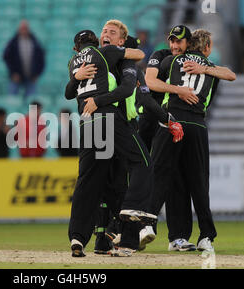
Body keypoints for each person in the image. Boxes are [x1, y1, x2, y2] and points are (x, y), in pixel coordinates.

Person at [72, 22, 183, 255]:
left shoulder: (126, 64)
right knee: (106, 186)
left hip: (120, 125)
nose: (105, 35)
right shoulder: (97, 62)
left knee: (117, 186)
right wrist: (76, 75)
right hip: (106, 124)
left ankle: (124, 240)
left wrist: (166, 118)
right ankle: (106, 239)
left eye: (111, 33)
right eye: (103, 32)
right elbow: (73, 90)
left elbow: (144, 99)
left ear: (121, 42)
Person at [144, 25, 236, 252]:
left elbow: (151, 81)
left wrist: (180, 85)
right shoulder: (211, 65)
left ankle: (146, 224)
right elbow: (231, 74)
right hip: (197, 125)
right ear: (207, 47)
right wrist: (206, 70)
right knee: (198, 182)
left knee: (160, 175)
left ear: (188, 45)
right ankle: (207, 236)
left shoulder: (170, 62)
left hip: (171, 122)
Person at [3, 20, 45, 99]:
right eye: (22, 28)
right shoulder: (13, 43)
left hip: (31, 76)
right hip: (16, 76)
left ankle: (30, 111)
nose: (24, 30)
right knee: (12, 99)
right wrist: (13, 73)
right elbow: (6, 57)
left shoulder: (35, 43)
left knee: (32, 102)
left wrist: (37, 74)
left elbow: (41, 59)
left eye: (25, 28)